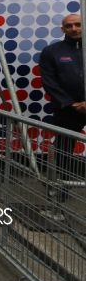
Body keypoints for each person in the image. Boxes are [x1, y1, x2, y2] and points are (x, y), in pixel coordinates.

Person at [40, 13, 85, 194]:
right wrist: (71, 104)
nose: (74, 29)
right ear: (62, 29)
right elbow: (49, 82)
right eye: (69, 26)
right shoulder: (51, 51)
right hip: (68, 110)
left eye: (78, 24)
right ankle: (61, 187)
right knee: (64, 149)